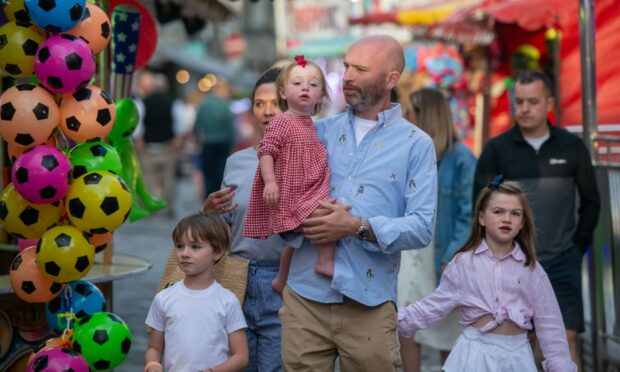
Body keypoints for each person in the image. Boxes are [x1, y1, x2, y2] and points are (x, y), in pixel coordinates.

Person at [279, 35, 437, 371]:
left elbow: (422, 227)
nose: (347, 75)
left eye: (360, 69)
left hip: (369, 301)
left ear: (390, 79)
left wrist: (357, 227)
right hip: (305, 296)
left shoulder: (417, 145)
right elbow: (283, 193)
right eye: (347, 65)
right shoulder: (316, 131)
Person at [473, 70, 600, 367]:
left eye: (532, 101)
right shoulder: (497, 149)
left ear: (549, 104)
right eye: (519, 102)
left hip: (560, 263)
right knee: (521, 344)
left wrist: (575, 249)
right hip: (513, 265)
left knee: (565, 340)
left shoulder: (571, 147)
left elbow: (592, 202)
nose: (525, 108)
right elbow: (480, 205)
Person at [398, 179, 577, 371]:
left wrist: (561, 367)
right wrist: (392, 320)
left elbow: (550, 325)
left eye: (515, 214)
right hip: (473, 357)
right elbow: (435, 305)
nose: (507, 219)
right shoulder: (464, 263)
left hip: (517, 359)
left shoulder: (532, 269)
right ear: (481, 218)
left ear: (522, 223)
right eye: (498, 211)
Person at [201, 67, 288, 372]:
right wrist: (209, 213)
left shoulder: (307, 161)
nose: (267, 112)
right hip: (234, 280)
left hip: (283, 282)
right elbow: (223, 229)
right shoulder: (236, 162)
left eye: (276, 102)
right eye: (259, 104)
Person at [398, 88, 475, 371]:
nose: (406, 118)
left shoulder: (462, 158)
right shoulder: (409, 154)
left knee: (446, 332)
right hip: (410, 250)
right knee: (405, 322)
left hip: (442, 251)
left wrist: (453, 256)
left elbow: (470, 212)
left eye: (411, 112)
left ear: (426, 116)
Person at [243, 56, 333, 293]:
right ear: (283, 93)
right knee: (328, 215)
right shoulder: (281, 122)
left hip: (308, 187)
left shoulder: (310, 125)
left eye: (313, 85)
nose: (305, 88)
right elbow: (266, 152)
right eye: (297, 83)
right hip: (292, 193)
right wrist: (270, 182)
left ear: (321, 96)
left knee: (296, 243)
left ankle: (281, 279)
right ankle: (324, 261)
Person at [144, 212, 248, 372]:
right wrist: (153, 365)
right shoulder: (163, 298)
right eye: (179, 246)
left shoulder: (228, 301)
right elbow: (154, 348)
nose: (184, 253)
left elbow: (241, 356)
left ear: (218, 252)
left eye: (195, 247)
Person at [134, 71, 182, 218]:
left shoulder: (144, 103)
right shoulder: (174, 103)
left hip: (148, 146)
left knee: (147, 178)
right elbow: (180, 122)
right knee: (168, 179)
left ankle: (149, 206)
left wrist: (139, 139)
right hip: (168, 146)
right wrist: (178, 138)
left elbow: (139, 124)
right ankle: (169, 208)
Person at [194, 78, 236, 198]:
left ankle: (209, 196)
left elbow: (197, 124)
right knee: (221, 170)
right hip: (223, 142)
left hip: (208, 142)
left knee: (208, 171)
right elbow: (230, 127)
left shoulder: (204, 103)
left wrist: (197, 140)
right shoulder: (225, 105)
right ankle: (221, 195)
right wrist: (232, 144)